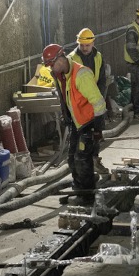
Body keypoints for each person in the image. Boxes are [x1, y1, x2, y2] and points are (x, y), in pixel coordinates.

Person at [43, 44, 106, 206]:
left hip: (89, 123)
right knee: (71, 159)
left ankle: (87, 197)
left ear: (61, 58)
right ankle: (79, 190)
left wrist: (97, 129)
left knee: (82, 159)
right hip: (77, 124)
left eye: (52, 64)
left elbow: (99, 103)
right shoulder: (61, 74)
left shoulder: (81, 75)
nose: (52, 69)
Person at [69, 28, 110, 175]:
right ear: (78, 43)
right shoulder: (72, 58)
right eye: (82, 45)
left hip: (94, 101)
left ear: (93, 43)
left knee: (97, 133)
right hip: (80, 102)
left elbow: (102, 80)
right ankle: (81, 166)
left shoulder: (98, 56)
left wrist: (99, 98)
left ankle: (94, 159)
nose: (85, 48)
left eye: (87, 45)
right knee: (81, 136)